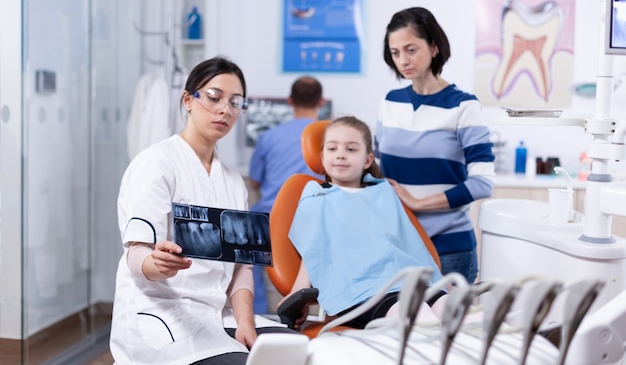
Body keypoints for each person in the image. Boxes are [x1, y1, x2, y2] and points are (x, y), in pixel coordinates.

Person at [110, 57, 292, 365]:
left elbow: (243, 267)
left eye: (236, 102)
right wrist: (158, 263)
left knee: (300, 352)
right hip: (163, 315)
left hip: (217, 315)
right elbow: (136, 254)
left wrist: (246, 324)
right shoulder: (156, 163)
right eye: (214, 97)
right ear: (188, 100)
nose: (225, 109)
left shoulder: (234, 182)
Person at [280, 116, 446, 330]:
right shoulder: (318, 195)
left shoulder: (384, 192)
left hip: (409, 282)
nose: (340, 154)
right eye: (332, 149)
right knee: (422, 319)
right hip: (362, 291)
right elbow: (315, 247)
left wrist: (439, 281)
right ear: (322, 157)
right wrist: (298, 293)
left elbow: (408, 242)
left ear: (367, 160)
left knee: (455, 310)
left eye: (351, 149)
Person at [375, 6, 496, 284]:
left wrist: (418, 203)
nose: (403, 60)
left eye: (411, 49)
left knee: (444, 327)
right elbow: (380, 171)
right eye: (395, 53)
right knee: (396, 326)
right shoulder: (390, 102)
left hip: (449, 246)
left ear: (433, 47)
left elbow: (483, 183)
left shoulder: (463, 106)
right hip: (398, 242)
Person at [248, 75, 325, 313]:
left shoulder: (269, 136)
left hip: (269, 220)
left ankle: (258, 314)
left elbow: (254, 180)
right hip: (313, 220)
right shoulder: (329, 136)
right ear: (321, 102)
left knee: (248, 263)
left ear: (290, 101)